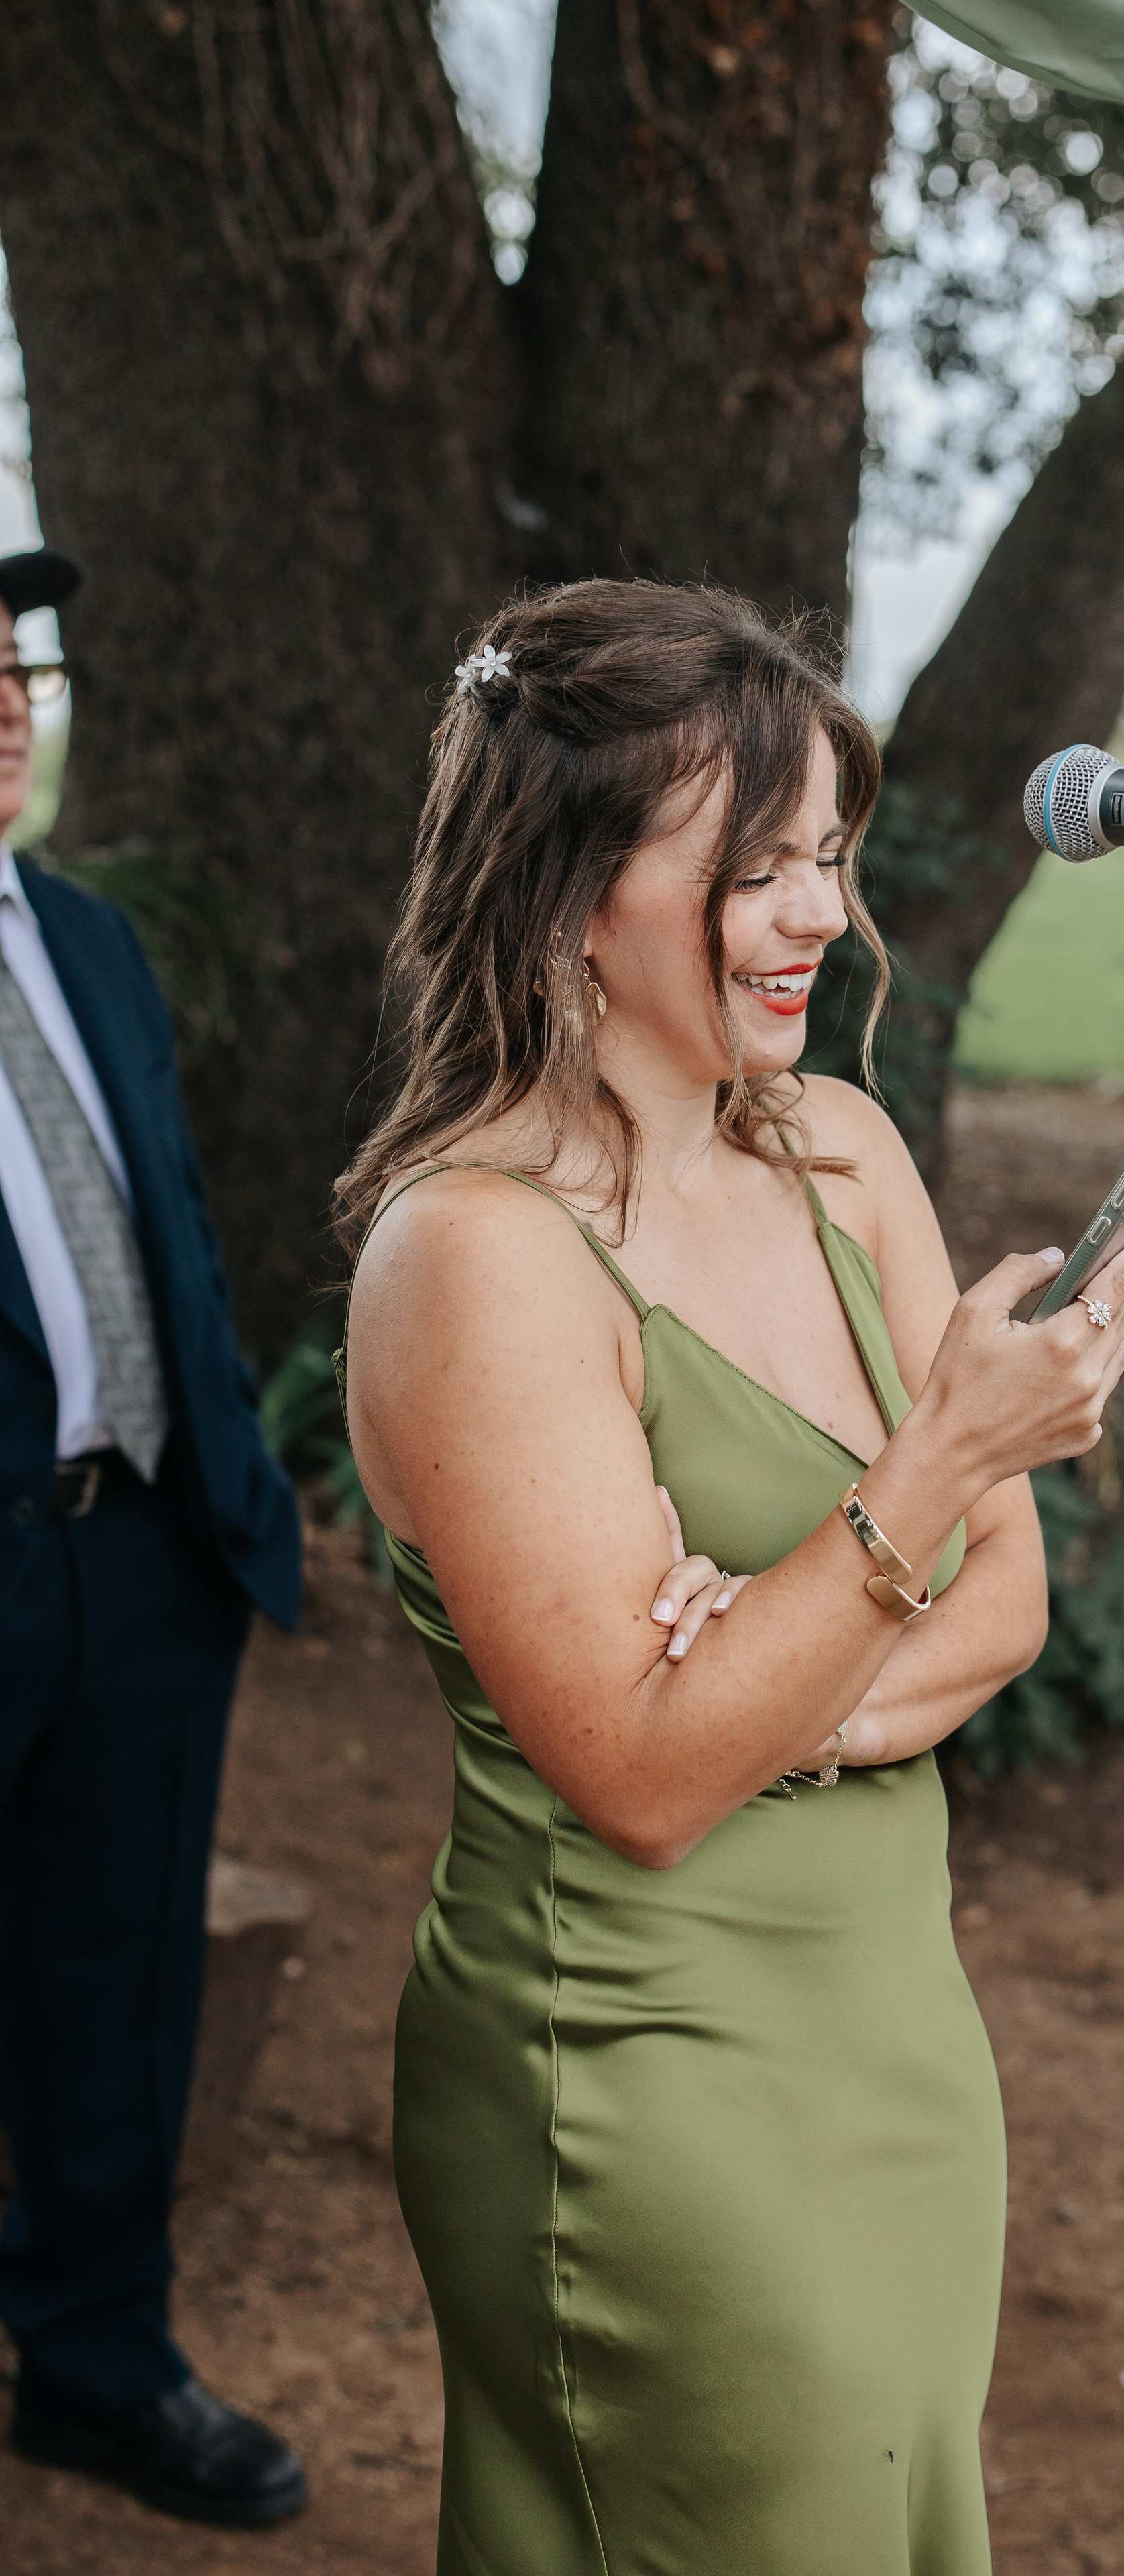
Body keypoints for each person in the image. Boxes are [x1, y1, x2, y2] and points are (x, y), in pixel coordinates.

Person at [337, 579, 1124, 2576]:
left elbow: (1008, 1610)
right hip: (641, 2077)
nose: (822, 915)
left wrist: (777, 1684)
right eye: (756, 868)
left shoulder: (845, 1153)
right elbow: (635, 1782)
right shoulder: (477, 1255)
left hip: (891, 2026)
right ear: (567, 893)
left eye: (830, 859)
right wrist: (941, 1458)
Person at [0, 547, 306, 2526]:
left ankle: (100, 2365)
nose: (8, 705)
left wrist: (228, 1500)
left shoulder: (89, 939)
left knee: (119, 2003)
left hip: (143, 1561)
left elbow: (170, 1221)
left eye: (10, 665)